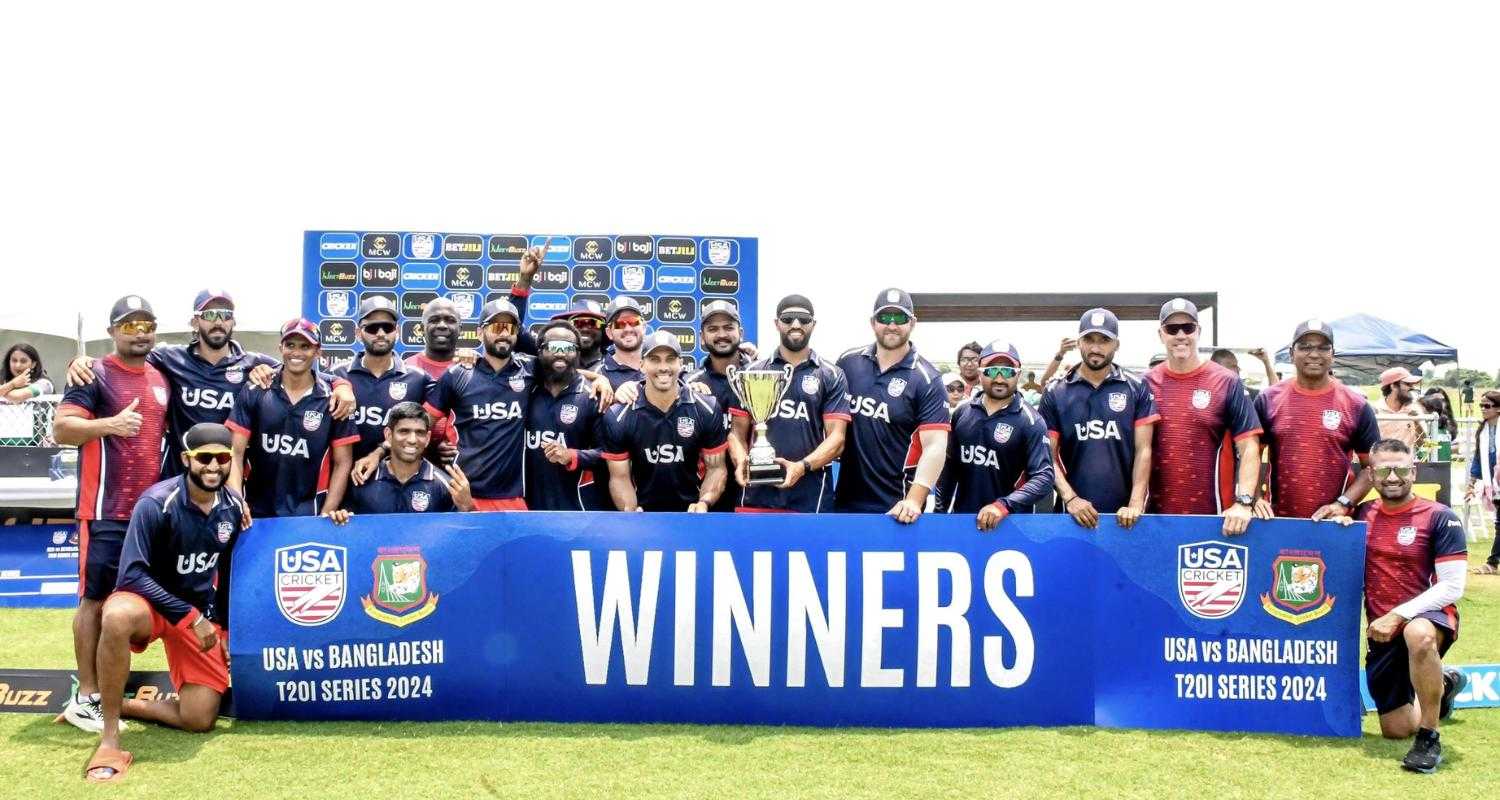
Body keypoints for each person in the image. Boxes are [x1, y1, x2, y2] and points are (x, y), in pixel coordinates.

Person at [83, 423, 247, 783]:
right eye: (204, 458)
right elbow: (131, 575)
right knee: (116, 615)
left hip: (196, 614)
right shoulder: (156, 502)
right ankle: (110, 736)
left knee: (199, 719)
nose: (213, 466)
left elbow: (228, 572)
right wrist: (190, 617)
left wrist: (225, 629)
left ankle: (115, 703)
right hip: (150, 604)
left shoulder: (233, 505)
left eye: (222, 458)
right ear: (187, 458)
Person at [65, 289, 356, 477]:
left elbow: (301, 367)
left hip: (228, 478)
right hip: (180, 478)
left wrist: (342, 385)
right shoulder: (169, 358)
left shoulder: (254, 364)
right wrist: (83, 361)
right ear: (195, 322)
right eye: (210, 315)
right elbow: (126, 357)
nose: (218, 322)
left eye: (225, 315)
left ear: (233, 322)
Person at [52, 295, 170, 733]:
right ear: (112, 330)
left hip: (149, 513)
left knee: (131, 604)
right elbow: (61, 429)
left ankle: (110, 689)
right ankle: (87, 696)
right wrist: (109, 425)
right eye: (129, 324)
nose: (139, 331)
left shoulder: (161, 375)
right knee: (95, 600)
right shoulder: (95, 373)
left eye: (146, 324)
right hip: (104, 510)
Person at [1339, 439, 1469, 773]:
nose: (1392, 476)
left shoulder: (1441, 517)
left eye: (1400, 469)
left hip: (1428, 617)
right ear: (1371, 473)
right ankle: (1444, 686)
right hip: (1382, 631)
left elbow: (1453, 586)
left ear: (1413, 471)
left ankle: (1429, 738)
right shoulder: (1361, 515)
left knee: (1418, 634)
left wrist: (1398, 615)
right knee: (1395, 730)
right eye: (1383, 469)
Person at [1145, 298, 1263, 535]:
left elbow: (1249, 446)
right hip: (1153, 519)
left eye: (1188, 328)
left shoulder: (1226, 382)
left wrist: (1244, 502)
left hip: (1216, 519)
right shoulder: (1145, 383)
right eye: (1172, 329)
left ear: (1198, 331)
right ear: (1161, 334)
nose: (1181, 335)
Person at [833, 288, 950, 522]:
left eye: (901, 318)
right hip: (843, 504)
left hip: (897, 510)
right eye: (885, 318)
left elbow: (936, 446)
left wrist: (914, 500)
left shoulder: (927, 379)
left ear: (913, 323)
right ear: (873, 322)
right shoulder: (848, 362)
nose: (892, 325)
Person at [729, 295, 849, 513]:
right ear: (776, 323)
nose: (796, 325)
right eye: (788, 319)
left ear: (813, 324)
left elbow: (837, 438)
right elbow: (736, 433)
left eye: (803, 319)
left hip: (811, 501)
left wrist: (801, 467)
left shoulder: (831, 375)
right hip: (756, 497)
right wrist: (741, 462)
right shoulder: (752, 373)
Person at [1039, 308, 1158, 529]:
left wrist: (1134, 503)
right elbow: (1047, 455)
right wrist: (1071, 499)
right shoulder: (1056, 390)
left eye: (1104, 340)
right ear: (1078, 343)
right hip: (1071, 514)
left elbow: (1144, 450)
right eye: (1089, 339)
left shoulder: (1136, 386)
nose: (1095, 348)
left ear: (1116, 345)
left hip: (1126, 516)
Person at [226, 319, 358, 517]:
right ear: (280, 348)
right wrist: (238, 503)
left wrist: (327, 511)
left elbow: (343, 462)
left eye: (305, 346)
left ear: (318, 352)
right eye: (290, 345)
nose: (297, 352)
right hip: (255, 512)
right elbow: (234, 452)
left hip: (308, 513)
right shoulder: (256, 389)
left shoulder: (334, 399)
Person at [1254, 320, 1379, 519]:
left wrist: (1343, 503)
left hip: (1332, 523)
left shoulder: (1356, 405)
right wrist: (1256, 497)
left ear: (1333, 355)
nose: (1314, 354)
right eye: (1305, 347)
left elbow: (1373, 467)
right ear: (1291, 353)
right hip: (1275, 521)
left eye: (1323, 348)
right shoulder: (1268, 399)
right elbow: (1249, 455)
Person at [422, 298, 537, 511]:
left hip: (511, 498)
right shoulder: (457, 374)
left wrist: (598, 379)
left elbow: (567, 372)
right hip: (463, 493)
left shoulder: (530, 370)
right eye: (496, 327)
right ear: (479, 333)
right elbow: (421, 425)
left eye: (510, 328)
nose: (504, 333)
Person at [601, 331, 729, 512]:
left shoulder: (706, 408)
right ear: (642, 365)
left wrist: (704, 503)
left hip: (692, 516)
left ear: (681, 364)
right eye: (654, 359)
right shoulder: (619, 415)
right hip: (643, 517)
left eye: (670, 359)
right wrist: (629, 511)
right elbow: (619, 477)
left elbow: (716, 468)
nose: (663, 367)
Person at [935, 341, 1053, 530]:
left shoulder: (1031, 421)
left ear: (1018, 374)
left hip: (1010, 525)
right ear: (980, 372)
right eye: (991, 371)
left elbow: (1044, 477)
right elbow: (949, 469)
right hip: (964, 523)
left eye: (1007, 371)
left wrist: (1003, 505)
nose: (999, 378)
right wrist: (939, 516)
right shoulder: (961, 413)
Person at [333, 297, 440, 462]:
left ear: (396, 331)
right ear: (358, 333)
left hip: (400, 482)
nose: (381, 334)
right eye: (372, 328)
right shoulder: (338, 374)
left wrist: (472, 361)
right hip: (349, 479)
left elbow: (455, 398)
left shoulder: (418, 378)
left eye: (387, 327)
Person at [331, 403, 473, 518]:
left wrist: (468, 509)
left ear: (428, 438)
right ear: (388, 435)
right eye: (404, 431)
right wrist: (341, 517)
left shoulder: (445, 486)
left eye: (420, 433)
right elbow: (347, 533)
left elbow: (463, 539)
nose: (412, 440)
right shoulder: (362, 480)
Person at [524, 321, 608, 510]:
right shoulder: (524, 391)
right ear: (539, 352)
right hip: (526, 509)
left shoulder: (592, 395)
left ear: (578, 353)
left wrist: (571, 455)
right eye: (553, 347)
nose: (560, 353)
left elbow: (609, 454)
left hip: (577, 510)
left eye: (568, 347)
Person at [684, 299, 752, 512]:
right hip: (703, 497)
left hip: (753, 493)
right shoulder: (687, 383)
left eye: (728, 327)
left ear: (740, 332)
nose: (721, 334)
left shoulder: (760, 376)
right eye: (713, 329)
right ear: (702, 338)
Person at [1467, 390, 1500, 575]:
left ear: (1498, 408)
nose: (1483, 409)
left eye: (1487, 405)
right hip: (1494, 486)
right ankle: (1493, 562)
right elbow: (1478, 459)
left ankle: (1492, 563)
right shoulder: (1483, 431)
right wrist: (1471, 484)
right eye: (1481, 405)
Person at [599, 297, 647, 389]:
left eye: (633, 321)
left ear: (644, 327)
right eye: (619, 324)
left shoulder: (659, 365)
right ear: (609, 333)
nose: (628, 329)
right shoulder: (599, 372)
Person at [1376, 367, 1427, 452]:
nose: (1412, 388)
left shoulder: (1414, 409)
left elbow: (1422, 444)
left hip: (1406, 464)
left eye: (1412, 384)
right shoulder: (1375, 411)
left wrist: (1416, 421)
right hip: (1380, 463)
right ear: (1393, 386)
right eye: (1407, 384)